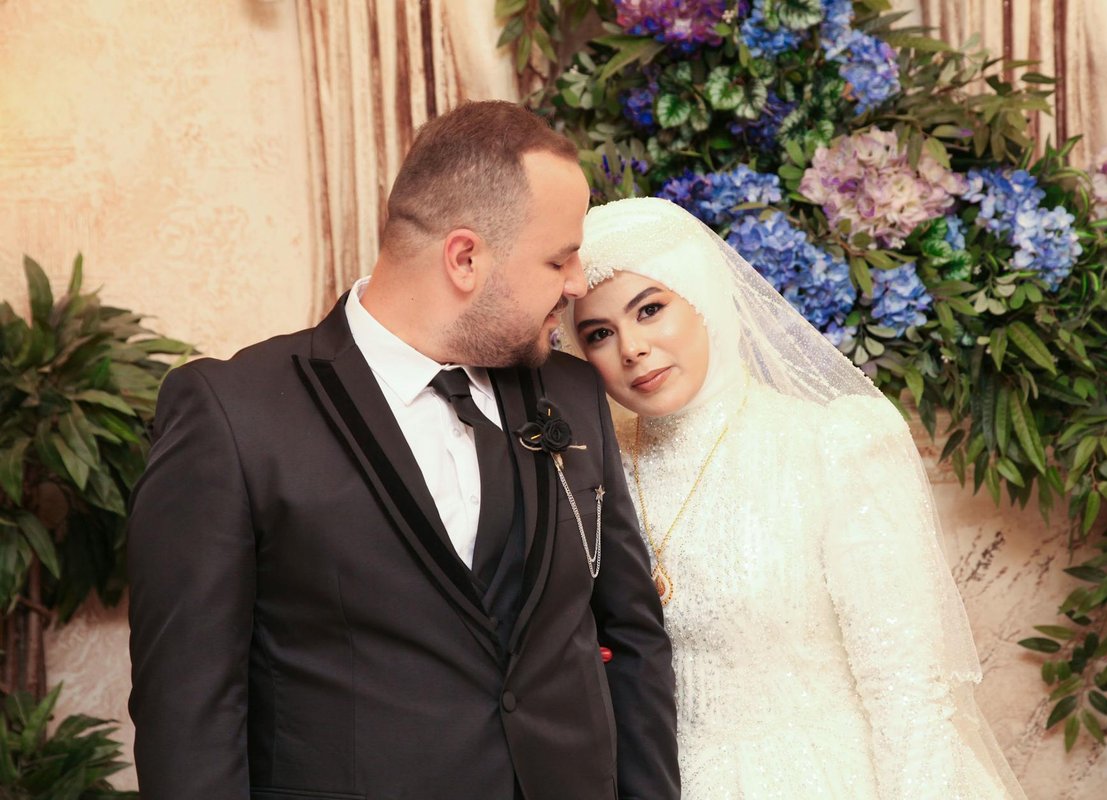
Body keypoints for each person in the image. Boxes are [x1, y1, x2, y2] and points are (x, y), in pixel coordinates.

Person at [127, 102, 679, 800]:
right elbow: (188, 715)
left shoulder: (570, 393)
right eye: (558, 257)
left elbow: (631, 637)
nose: (577, 283)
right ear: (465, 258)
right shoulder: (235, 415)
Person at [566, 196, 1028, 799]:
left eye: (650, 309)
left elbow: (906, 687)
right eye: (599, 333)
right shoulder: (587, 470)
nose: (631, 347)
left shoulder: (833, 445)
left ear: (702, 296)